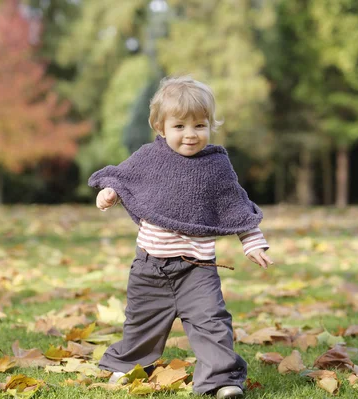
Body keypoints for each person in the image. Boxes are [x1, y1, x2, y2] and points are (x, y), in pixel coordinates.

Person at [88, 76, 273, 399]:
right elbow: (123, 178)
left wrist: (252, 241)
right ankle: (127, 365)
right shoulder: (150, 157)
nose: (190, 135)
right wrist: (110, 193)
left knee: (212, 322)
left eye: (200, 126)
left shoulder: (216, 166)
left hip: (197, 269)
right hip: (150, 267)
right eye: (179, 126)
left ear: (210, 126)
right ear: (160, 127)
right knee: (142, 323)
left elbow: (235, 205)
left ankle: (221, 380)